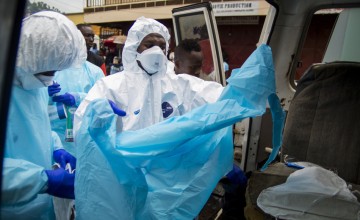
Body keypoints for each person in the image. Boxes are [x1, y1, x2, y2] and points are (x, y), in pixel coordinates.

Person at [1, 11, 87, 219]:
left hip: (40, 206)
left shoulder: (34, 84)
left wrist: (56, 148)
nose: (51, 78)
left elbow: (38, 129)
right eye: (47, 72)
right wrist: (42, 179)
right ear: (28, 58)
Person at [48, 60, 104, 156]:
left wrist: (79, 98)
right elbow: (34, 106)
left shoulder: (93, 72)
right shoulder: (47, 70)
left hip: (85, 137)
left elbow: (103, 102)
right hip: (55, 139)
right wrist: (44, 92)